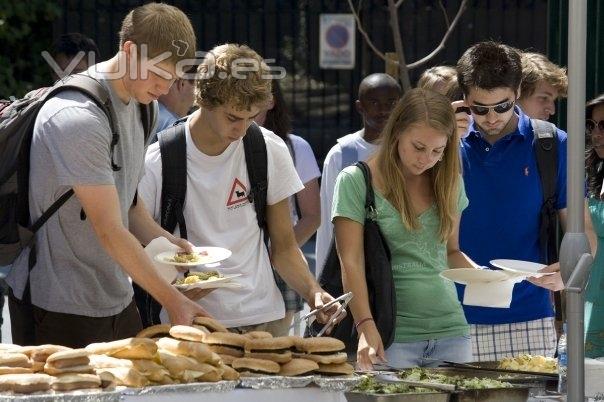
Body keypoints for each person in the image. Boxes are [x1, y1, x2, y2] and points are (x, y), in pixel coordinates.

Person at [6, 3, 209, 348]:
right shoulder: (78, 116)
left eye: (173, 79)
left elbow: (128, 205)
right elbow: (109, 229)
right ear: (129, 51)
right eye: (158, 75)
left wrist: (170, 247)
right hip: (57, 306)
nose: (164, 89)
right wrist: (173, 300)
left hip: (116, 299)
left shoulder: (142, 105)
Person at [138, 43, 343, 334]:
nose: (242, 129)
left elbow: (284, 247)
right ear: (204, 99)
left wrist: (314, 293)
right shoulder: (159, 159)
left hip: (264, 319)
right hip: (191, 322)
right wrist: (168, 287)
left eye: (251, 117)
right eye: (233, 117)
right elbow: (135, 244)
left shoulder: (268, 148)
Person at [334, 88, 477, 370]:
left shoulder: (450, 182)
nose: (426, 159)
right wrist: (365, 325)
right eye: (419, 147)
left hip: (452, 333)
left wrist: (491, 278)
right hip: (389, 336)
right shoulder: (355, 180)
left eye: (438, 151)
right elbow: (350, 261)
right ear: (397, 131)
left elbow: (451, 251)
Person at [455, 41, 568, 361]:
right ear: (464, 98)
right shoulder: (442, 142)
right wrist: (437, 130)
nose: (491, 117)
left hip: (528, 318)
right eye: (480, 108)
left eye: (502, 106)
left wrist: (570, 269)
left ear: (518, 90)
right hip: (448, 318)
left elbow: (581, 229)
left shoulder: (551, 144)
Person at [315, 73, 402, 278]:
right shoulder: (342, 154)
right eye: (374, 102)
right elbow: (329, 220)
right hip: (356, 267)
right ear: (360, 106)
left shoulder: (412, 149)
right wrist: (321, 280)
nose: (384, 110)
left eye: (391, 103)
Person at [254, 80, 321, 335]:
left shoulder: (294, 147)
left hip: (280, 264)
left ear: (271, 100)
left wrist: (279, 249)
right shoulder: (221, 146)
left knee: (275, 350)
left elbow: (312, 216)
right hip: (232, 269)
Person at [584, 93, 604, 358]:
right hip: (591, 296)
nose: (597, 134)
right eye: (592, 125)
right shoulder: (591, 173)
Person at [151, 65, 198, 141]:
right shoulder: (175, 128)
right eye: (196, 87)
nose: (196, 96)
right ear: (181, 84)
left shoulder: (145, 109)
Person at [517, 52, 568, 121]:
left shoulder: (552, 131)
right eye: (544, 98)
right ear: (516, 95)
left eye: (553, 101)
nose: (552, 111)